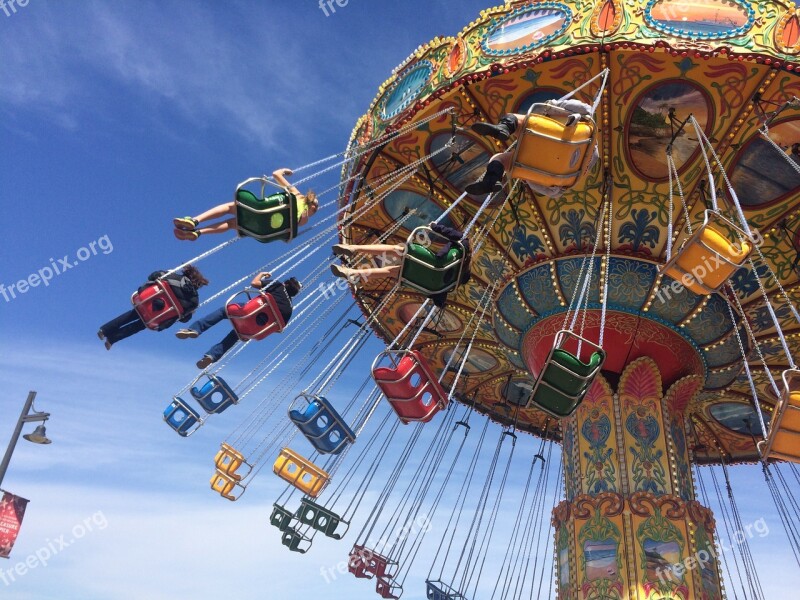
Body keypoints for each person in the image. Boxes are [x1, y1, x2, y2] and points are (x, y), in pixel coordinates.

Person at [465, 98, 598, 197]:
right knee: (505, 161)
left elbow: (586, 109)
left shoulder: (589, 140)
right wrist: (528, 178)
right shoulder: (572, 176)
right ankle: (492, 179)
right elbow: (552, 192)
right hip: (551, 168)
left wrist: (552, 105)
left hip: (552, 136)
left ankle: (505, 128)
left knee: (520, 121)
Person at [330, 222, 472, 308]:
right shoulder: (450, 285)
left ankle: (354, 249)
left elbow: (454, 236)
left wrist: (434, 226)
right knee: (393, 271)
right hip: (425, 281)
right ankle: (354, 274)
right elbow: (437, 299)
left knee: (397, 250)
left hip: (434, 263)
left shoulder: (464, 246)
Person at [176, 272, 301, 369]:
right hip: (255, 330)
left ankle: (195, 329)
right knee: (237, 334)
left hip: (247, 312)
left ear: (286, 284)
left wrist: (262, 274)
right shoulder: (289, 310)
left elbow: (254, 283)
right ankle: (212, 356)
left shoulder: (278, 286)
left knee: (224, 311)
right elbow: (279, 329)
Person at [172, 168, 319, 241]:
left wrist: (285, 171)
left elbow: (275, 174)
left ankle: (195, 220)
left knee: (230, 207)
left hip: (261, 209)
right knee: (232, 224)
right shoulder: (303, 220)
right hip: (262, 229)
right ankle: (198, 233)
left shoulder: (297, 195)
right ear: (312, 209)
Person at [98, 266, 208, 350]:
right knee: (139, 326)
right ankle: (111, 340)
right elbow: (184, 319)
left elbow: (153, 275)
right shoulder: (194, 301)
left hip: (146, 302)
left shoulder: (174, 277)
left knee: (131, 315)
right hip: (155, 317)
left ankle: (104, 331)